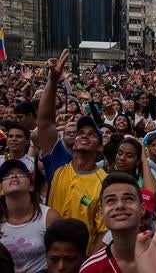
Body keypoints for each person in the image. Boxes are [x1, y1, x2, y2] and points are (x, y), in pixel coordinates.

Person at [37, 49, 107, 253]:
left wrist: (87, 263)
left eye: (92, 134)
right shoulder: (59, 163)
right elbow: (44, 123)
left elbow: (103, 231)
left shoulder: (104, 181)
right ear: (73, 142)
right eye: (80, 132)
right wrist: (53, 80)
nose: (84, 135)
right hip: (49, 257)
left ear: (99, 147)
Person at [80, 172, 156, 273]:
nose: (120, 205)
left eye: (128, 199)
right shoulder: (91, 269)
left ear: (142, 209)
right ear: (101, 213)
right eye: (111, 200)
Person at [0, 159, 61, 273]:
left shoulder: (49, 217)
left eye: (20, 174)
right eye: (7, 175)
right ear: (1, 187)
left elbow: (62, 259)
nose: (13, 177)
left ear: (31, 184)